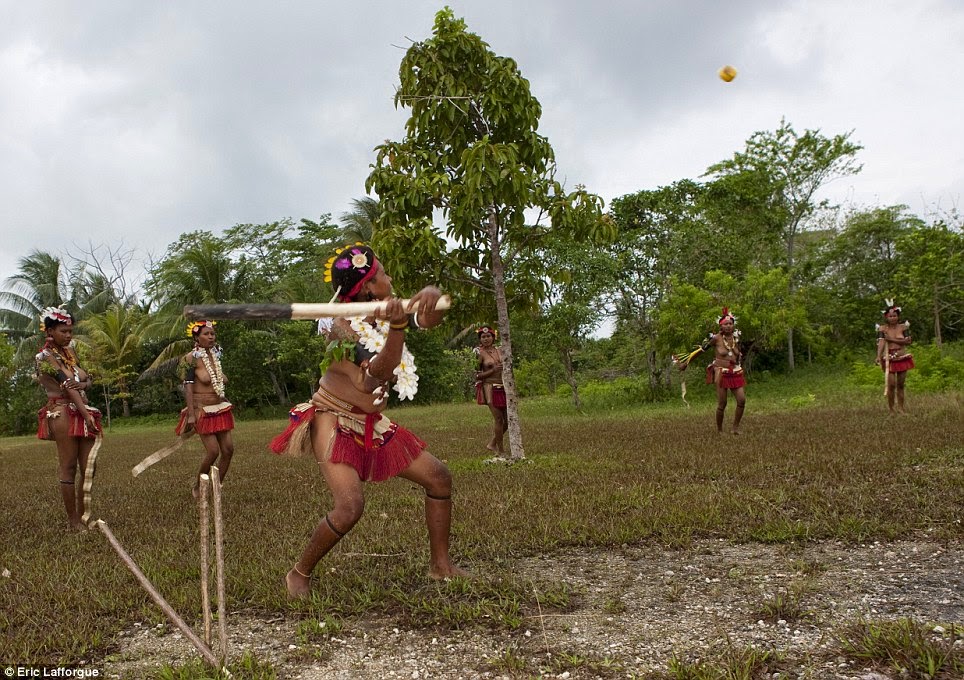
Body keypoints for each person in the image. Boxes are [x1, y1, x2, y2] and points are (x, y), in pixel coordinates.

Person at [269, 243, 467, 598]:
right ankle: (299, 573)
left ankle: (441, 566)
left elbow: (429, 318)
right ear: (370, 288)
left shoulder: (386, 311)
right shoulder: (341, 331)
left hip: (370, 420)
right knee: (349, 507)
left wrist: (431, 295)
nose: (390, 278)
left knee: (439, 478)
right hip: (334, 419)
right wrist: (399, 326)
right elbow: (375, 375)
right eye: (384, 273)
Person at [35, 307, 102, 531]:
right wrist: (86, 414)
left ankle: (83, 515)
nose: (69, 335)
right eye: (64, 331)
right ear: (50, 331)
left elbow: (87, 380)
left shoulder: (69, 352)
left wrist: (83, 385)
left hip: (82, 409)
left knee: (89, 466)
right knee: (69, 466)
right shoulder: (44, 358)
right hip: (63, 412)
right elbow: (66, 385)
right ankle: (73, 520)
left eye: (71, 331)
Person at [178, 320, 235, 497]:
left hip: (219, 407)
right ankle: (198, 486)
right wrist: (191, 414)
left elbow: (217, 381)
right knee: (213, 451)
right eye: (206, 334)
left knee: (228, 450)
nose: (211, 337)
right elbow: (188, 386)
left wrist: (222, 395)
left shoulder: (215, 355)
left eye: (212, 334)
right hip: (201, 409)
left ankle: (216, 486)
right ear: (196, 337)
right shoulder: (192, 358)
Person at [706, 308, 747, 434]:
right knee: (722, 403)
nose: (728, 326)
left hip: (735, 371)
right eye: (726, 324)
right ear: (721, 326)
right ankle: (719, 430)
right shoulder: (716, 338)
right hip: (721, 372)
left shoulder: (736, 338)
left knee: (741, 400)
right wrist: (686, 362)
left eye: (730, 324)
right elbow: (702, 349)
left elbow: (737, 353)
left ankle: (735, 428)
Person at [473, 325, 507, 454]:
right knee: (498, 419)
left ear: (493, 337)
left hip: (503, 387)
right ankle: (501, 451)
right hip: (489, 388)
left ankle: (493, 443)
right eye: (483, 337)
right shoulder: (480, 354)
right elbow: (476, 375)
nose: (486, 339)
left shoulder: (500, 350)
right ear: (480, 339)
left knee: (507, 420)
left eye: (488, 336)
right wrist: (492, 370)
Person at [875, 299, 913, 414]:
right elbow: (881, 342)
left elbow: (908, 341)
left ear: (898, 316)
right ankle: (891, 410)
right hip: (889, 359)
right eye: (890, 316)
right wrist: (878, 356)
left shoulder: (903, 327)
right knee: (891, 385)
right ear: (886, 317)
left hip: (902, 358)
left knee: (900, 385)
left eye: (894, 316)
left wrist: (891, 339)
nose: (892, 318)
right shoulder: (882, 329)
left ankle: (901, 409)